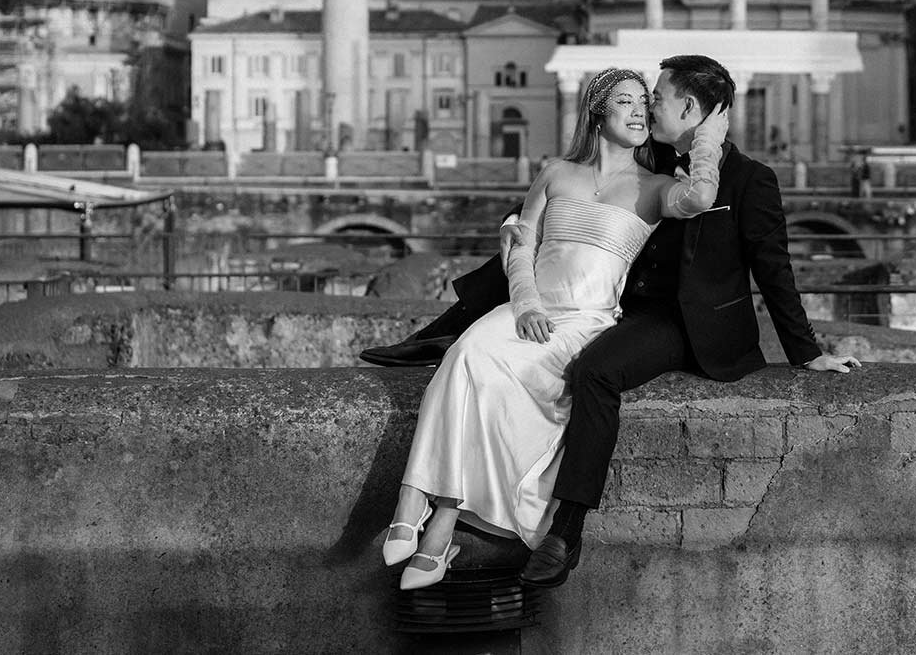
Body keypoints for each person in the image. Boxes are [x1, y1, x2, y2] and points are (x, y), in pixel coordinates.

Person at [364, 54, 859, 588]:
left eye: (657, 99)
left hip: (685, 325)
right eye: (635, 100)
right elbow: (549, 237)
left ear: (689, 107)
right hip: (628, 311)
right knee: (492, 314)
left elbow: (773, 266)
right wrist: (519, 281)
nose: (649, 107)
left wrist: (806, 352)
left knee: (593, 371)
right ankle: (433, 422)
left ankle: (565, 530)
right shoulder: (634, 164)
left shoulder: (740, 179)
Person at [381, 67, 727, 590]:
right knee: (468, 354)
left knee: (483, 367)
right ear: (597, 112)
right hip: (531, 309)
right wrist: (524, 306)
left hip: (586, 322)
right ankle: (423, 502)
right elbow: (522, 244)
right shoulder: (556, 172)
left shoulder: (656, 188)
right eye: (626, 102)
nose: (639, 111)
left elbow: (701, 198)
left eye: (644, 102)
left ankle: (437, 515)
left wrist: (709, 138)